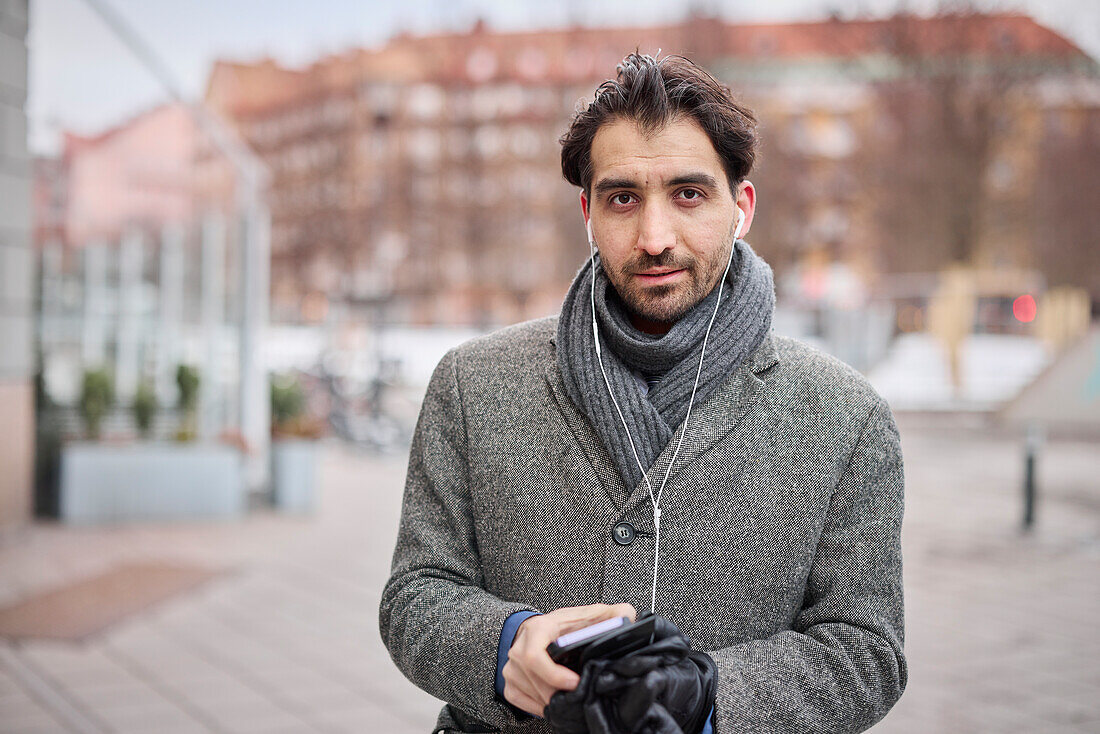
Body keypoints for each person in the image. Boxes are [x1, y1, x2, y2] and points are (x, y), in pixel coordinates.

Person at [380, 52, 906, 734]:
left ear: (739, 207)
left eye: (689, 194)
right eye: (622, 197)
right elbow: (414, 597)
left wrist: (710, 697)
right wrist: (507, 645)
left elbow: (867, 651)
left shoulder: (847, 417)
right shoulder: (471, 384)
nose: (655, 238)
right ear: (587, 212)